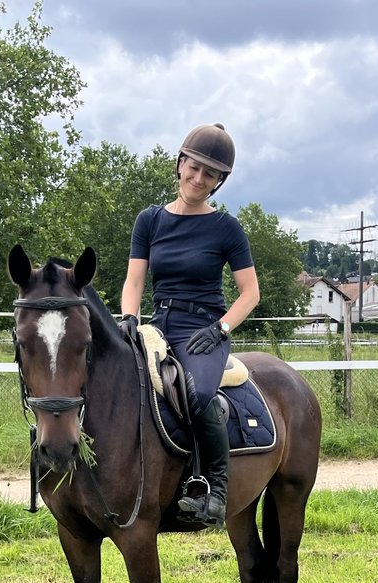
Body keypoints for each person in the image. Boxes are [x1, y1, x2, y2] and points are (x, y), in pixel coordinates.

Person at [118, 123, 260, 528]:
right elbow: (134, 281)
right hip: (158, 323)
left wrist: (222, 329)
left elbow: (250, 293)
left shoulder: (226, 229)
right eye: (193, 167)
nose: (198, 179)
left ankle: (215, 490)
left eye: (209, 174)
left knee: (197, 396)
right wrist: (130, 318)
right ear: (180, 164)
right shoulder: (149, 221)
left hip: (203, 330)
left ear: (218, 182)